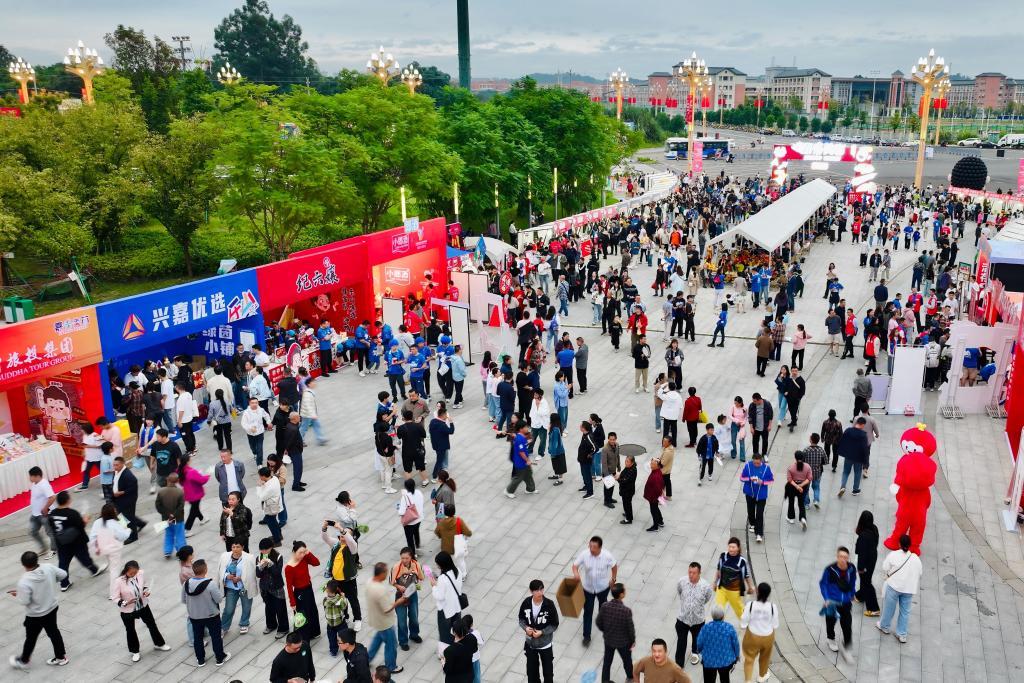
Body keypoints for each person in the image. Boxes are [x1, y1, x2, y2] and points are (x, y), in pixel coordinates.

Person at [10, 550, 70, 670]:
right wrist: (51, 582)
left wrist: (19, 594)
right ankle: (61, 657)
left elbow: (25, 601)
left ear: (23, 564)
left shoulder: (24, 581)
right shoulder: (48, 567)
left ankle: (24, 660)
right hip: (52, 608)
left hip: (35, 615)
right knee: (54, 632)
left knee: (31, 637)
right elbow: (63, 574)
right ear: (37, 560)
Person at [110, 560, 170, 662]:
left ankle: (159, 643)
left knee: (152, 624)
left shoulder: (140, 574)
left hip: (142, 605)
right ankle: (135, 651)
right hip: (128, 610)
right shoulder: (119, 581)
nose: (133, 575)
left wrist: (146, 592)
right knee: (130, 630)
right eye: (131, 573)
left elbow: (144, 586)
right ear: (126, 571)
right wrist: (126, 602)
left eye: (135, 573)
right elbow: (114, 597)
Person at [48, 490, 106, 590]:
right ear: (67, 501)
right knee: (84, 558)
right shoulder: (72, 513)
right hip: (76, 542)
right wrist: (86, 519)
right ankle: (94, 570)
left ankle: (64, 583)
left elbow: (52, 527)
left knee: (63, 562)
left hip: (62, 543)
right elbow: (81, 526)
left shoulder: (52, 514)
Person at [181, 558, 231, 667]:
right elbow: (219, 599)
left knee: (198, 638)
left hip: (194, 616)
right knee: (216, 637)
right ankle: (219, 658)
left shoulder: (186, 583)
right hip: (211, 616)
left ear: (194, 570)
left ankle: (200, 660)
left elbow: (184, 600)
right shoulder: (210, 584)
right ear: (205, 569)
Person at [877, 534, 924, 644]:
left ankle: (884, 626)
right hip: (909, 589)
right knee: (905, 612)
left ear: (899, 544)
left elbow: (885, 567)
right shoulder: (916, 559)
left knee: (889, 608)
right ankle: (902, 634)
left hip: (894, 586)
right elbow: (920, 573)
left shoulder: (893, 555)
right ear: (909, 545)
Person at [573, 536, 618, 646]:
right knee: (588, 611)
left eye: (594, 547)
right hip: (587, 588)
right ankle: (586, 636)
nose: (591, 549)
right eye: (590, 546)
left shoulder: (607, 556)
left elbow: (614, 565)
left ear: (600, 547)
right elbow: (575, 565)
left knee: (603, 607)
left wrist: (613, 578)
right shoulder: (585, 554)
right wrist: (576, 573)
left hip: (602, 588)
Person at [366, 562, 406, 675]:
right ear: (381, 573)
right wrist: (399, 601)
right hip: (385, 622)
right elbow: (387, 609)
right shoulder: (380, 590)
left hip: (375, 619)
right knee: (391, 644)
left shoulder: (369, 582)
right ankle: (391, 666)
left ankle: (367, 659)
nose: (387, 574)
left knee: (377, 639)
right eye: (386, 572)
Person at [819, 546, 857, 662]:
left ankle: (847, 649)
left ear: (848, 558)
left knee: (847, 626)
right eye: (840, 557)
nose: (843, 559)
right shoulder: (830, 569)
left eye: (845, 557)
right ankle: (831, 639)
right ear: (837, 557)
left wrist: (852, 594)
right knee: (830, 622)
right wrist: (826, 598)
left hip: (845, 603)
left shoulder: (851, 568)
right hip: (832, 602)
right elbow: (823, 584)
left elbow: (853, 582)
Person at [519, 579, 560, 683]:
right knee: (532, 674)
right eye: (537, 590)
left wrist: (542, 632)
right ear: (531, 591)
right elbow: (521, 619)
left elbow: (555, 624)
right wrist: (525, 628)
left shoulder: (549, 604)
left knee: (548, 674)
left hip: (545, 644)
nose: (540, 593)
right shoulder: (526, 603)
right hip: (530, 644)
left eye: (541, 589)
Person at [675, 561, 713, 668]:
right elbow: (679, 592)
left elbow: (707, 598)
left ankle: (695, 652)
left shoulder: (705, 586)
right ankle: (679, 664)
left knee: (696, 638)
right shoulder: (682, 582)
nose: (691, 575)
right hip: (683, 619)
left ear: (699, 573)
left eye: (694, 573)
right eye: (689, 572)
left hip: (698, 620)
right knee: (681, 642)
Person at [596, 582, 635, 682]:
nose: (625, 591)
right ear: (621, 594)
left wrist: (606, 631)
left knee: (607, 662)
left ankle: (605, 681)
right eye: (624, 590)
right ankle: (630, 677)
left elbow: (598, 622)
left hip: (609, 640)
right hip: (623, 643)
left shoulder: (605, 606)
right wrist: (632, 641)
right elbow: (630, 629)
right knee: (627, 661)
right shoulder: (626, 611)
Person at [740, 583, 779, 683]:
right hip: (768, 637)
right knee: (765, 658)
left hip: (752, 636)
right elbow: (775, 625)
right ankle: (762, 677)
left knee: (749, 659)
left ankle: (748, 680)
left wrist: (744, 630)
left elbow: (743, 622)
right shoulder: (772, 607)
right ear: (768, 594)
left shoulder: (751, 605)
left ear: (757, 592)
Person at [285, 541, 322, 642]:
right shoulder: (289, 567)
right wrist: (292, 602)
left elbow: (316, 563)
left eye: (303, 552)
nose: (302, 555)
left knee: (313, 611)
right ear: (294, 552)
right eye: (300, 553)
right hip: (299, 592)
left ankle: (315, 632)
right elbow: (289, 586)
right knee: (302, 616)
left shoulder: (305, 557)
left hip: (308, 588)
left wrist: (308, 553)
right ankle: (304, 639)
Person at [218, 541, 257, 636]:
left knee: (246, 607)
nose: (235, 549)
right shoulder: (225, 556)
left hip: (244, 587)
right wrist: (227, 576)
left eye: (238, 547)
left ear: (242, 547)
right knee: (228, 609)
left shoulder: (249, 558)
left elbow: (253, 573)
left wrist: (241, 578)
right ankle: (223, 627)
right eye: (233, 546)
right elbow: (220, 571)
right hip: (231, 588)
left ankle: (244, 623)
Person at [430, 551, 464, 657]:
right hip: (457, 607)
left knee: (444, 633)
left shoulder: (442, 578)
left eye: (438, 564)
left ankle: (444, 654)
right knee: (455, 631)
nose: (437, 566)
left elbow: (439, 596)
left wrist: (434, 586)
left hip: (445, 610)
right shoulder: (457, 571)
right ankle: (456, 648)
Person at [256, 537, 290, 639]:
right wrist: (261, 566)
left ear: (271, 548)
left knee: (280, 608)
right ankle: (271, 625)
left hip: (276, 587)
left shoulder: (278, 557)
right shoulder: (259, 557)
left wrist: (270, 564)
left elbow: (277, 573)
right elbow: (258, 574)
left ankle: (283, 628)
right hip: (265, 587)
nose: (263, 551)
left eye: (265, 549)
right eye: (261, 549)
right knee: (269, 607)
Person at [391, 548, 424, 652]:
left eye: (407, 558)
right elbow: (392, 582)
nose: (404, 560)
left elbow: (421, 578)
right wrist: (399, 586)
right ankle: (403, 641)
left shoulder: (416, 565)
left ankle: (414, 634)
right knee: (402, 620)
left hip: (412, 594)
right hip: (400, 595)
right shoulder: (396, 567)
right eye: (402, 558)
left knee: (414, 616)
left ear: (411, 557)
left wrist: (417, 584)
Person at [713, 537, 754, 620]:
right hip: (722, 589)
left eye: (733, 547)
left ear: (738, 548)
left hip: (734, 591)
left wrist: (750, 587)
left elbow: (746, 575)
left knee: (740, 612)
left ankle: (748, 624)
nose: (731, 549)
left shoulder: (742, 561)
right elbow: (718, 569)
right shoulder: (723, 556)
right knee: (718, 610)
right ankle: (719, 626)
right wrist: (715, 582)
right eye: (729, 546)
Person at [740, 453, 773, 543]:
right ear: (752, 460)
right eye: (755, 463)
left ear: (761, 461)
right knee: (750, 511)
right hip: (750, 493)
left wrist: (762, 482)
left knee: (759, 513)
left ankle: (759, 534)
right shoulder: (748, 466)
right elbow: (742, 478)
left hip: (761, 495)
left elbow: (771, 481)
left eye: (758, 463)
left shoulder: (766, 468)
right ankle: (752, 524)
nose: (756, 465)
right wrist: (749, 479)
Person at [854, 510, 881, 616]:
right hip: (873, 557)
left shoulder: (864, 536)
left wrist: (860, 567)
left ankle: (874, 608)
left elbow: (862, 553)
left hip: (865, 562)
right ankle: (860, 596)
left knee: (867, 583)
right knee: (866, 579)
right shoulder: (874, 528)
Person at [27, 467, 57, 560]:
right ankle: (44, 548)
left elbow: (52, 497)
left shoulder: (44, 485)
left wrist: (45, 508)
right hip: (35, 514)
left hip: (45, 514)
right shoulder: (34, 484)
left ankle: (53, 550)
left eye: (30, 476)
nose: (29, 478)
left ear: (36, 476)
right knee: (32, 531)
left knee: (50, 532)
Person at [837, 418, 870, 497]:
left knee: (845, 472)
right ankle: (855, 490)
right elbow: (865, 449)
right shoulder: (863, 435)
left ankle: (843, 486)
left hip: (848, 456)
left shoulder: (848, 430)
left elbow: (842, 440)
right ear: (862, 424)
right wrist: (866, 461)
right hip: (858, 458)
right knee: (857, 473)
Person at [155, 473, 186, 558]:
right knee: (179, 535)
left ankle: (167, 551)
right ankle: (181, 552)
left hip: (166, 518)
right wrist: (173, 515)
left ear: (167, 480)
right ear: (178, 481)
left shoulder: (161, 491)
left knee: (169, 534)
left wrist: (167, 514)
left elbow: (158, 506)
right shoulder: (180, 492)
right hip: (178, 518)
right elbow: (181, 506)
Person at [396, 409, 429, 487]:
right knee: (421, 467)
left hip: (406, 451)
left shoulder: (401, 428)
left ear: (403, 418)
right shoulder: (418, 426)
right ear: (412, 417)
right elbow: (424, 435)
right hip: (418, 449)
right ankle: (425, 481)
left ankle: (409, 485)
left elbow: (399, 437)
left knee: (407, 469)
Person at [442, 616, 477, 682]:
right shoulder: (472, 638)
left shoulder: (449, 651)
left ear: (454, 632)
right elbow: (475, 650)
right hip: (468, 676)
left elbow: (447, 670)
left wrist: (443, 662)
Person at [256, 467, 284, 545]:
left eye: (260, 476)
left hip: (272, 507)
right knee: (274, 521)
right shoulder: (274, 478)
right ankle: (279, 536)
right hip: (275, 504)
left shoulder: (270, 488)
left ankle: (277, 541)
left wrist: (259, 486)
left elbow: (261, 497)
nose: (259, 478)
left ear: (264, 476)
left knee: (271, 523)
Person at [241, 397, 272, 466]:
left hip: (260, 432)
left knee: (260, 448)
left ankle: (259, 464)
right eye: (252, 403)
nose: (254, 404)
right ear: (249, 403)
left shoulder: (261, 410)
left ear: (258, 403)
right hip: (250, 434)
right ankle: (254, 453)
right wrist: (250, 428)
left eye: (256, 403)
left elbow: (266, 416)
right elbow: (243, 423)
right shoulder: (246, 412)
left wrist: (268, 422)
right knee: (252, 447)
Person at [784, 451, 812, 529]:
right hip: (803, 487)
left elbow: (789, 479)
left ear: (795, 458)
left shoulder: (791, 467)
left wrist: (797, 486)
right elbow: (809, 479)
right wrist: (801, 486)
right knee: (801, 503)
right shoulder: (807, 466)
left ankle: (791, 518)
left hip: (792, 487)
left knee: (791, 501)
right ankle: (802, 518)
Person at [298, 375, 328, 446]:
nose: (315, 383)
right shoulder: (308, 393)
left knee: (316, 425)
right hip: (307, 414)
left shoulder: (309, 391)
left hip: (310, 414)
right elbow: (308, 405)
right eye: (313, 382)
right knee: (303, 428)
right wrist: (313, 415)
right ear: (309, 384)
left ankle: (321, 439)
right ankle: (299, 440)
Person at [398, 478, 425, 551]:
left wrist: (399, 508)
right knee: (416, 532)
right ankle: (417, 545)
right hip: (419, 518)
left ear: (406, 487)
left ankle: (412, 553)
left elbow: (402, 512)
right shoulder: (419, 492)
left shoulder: (405, 497)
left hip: (410, 521)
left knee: (409, 538)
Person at [429, 407, 455, 479]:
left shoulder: (432, 421)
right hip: (442, 446)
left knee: (440, 459)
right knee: (439, 461)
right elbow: (451, 431)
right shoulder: (442, 425)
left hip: (435, 445)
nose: (447, 416)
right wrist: (451, 422)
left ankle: (440, 471)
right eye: (446, 415)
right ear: (443, 415)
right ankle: (435, 476)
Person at [644, 458, 666, 532]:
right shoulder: (657, 471)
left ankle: (655, 526)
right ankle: (660, 521)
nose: (650, 465)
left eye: (652, 464)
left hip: (653, 497)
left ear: (657, 466)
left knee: (653, 510)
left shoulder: (656, 476)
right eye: (651, 463)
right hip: (653, 496)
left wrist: (657, 497)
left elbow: (658, 489)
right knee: (656, 508)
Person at [659, 381, 683, 447]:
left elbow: (659, 393)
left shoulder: (666, 396)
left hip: (667, 416)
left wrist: (663, 385)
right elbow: (681, 406)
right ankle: (674, 444)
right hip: (674, 417)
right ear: (675, 388)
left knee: (665, 432)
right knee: (674, 431)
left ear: (669, 388)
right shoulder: (678, 396)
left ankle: (664, 444)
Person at [547, 413, 568, 486]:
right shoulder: (554, 427)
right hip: (555, 450)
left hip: (557, 451)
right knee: (555, 464)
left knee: (559, 465)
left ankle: (560, 479)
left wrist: (553, 452)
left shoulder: (555, 430)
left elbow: (555, 442)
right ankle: (557, 475)